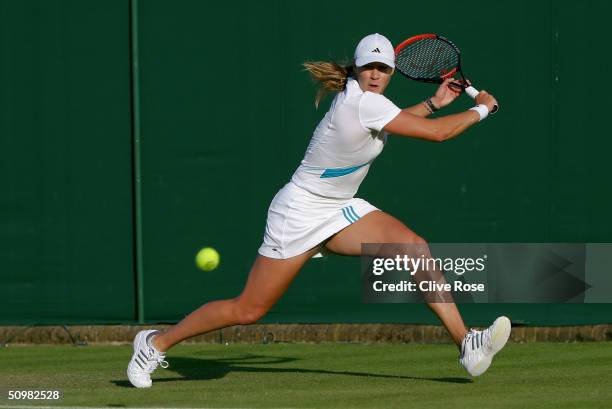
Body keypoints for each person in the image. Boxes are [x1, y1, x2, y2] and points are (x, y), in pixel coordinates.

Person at [127, 33, 511, 388]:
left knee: (414, 247)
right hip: (298, 213)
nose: (376, 75)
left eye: (384, 69)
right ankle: (155, 343)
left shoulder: (367, 102)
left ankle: (467, 344)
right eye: (369, 68)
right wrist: (481, 109)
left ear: (392, 72)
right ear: (357, 69)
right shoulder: (364, 103)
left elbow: (393, 123)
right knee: (247, 310)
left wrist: (432, 103)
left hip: (339, 209)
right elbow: (438, 134)